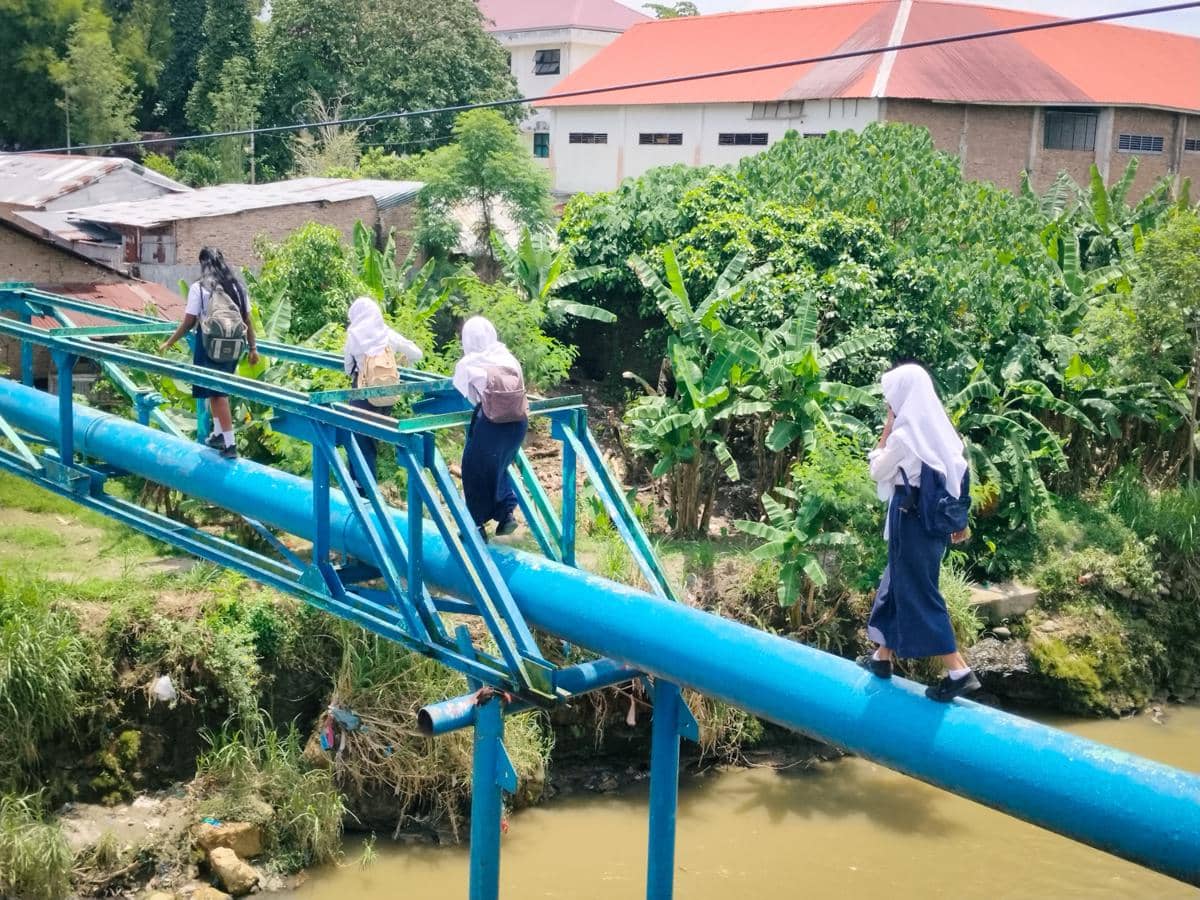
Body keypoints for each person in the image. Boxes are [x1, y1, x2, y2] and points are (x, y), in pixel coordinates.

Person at [858, 362, 980, 702]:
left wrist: (886, 429)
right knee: (897, 582)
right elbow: (957, 472)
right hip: (932, 525)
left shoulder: (904, 435)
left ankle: (959, 670)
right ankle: (882, 657)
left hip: (909, 520)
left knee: (918, 590)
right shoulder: (939, 430)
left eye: (891, 397)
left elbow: (877, 469)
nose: (889, 403)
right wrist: (959, 522)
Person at [160, 247, 257, 460]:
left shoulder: (199, 287)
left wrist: (169, 342)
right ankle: (218, 434)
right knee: (219, 392)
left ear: (203, 264)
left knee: (216, 394)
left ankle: (230, 445)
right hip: (233, 346)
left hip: (209, 345)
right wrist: (252, 348)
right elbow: (247, 320)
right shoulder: (237, 287)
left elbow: (189, 322)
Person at [453, 316, 527, 541]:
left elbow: (468, 396)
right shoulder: (508, 357)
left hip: (493, 425)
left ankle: (475, 526)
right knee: (499, 466)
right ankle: (506, 515)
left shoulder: (468, 363)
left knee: (473, 470)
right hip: (518, 424)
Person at [342, 296, 423, 490]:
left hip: (363, 395)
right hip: (387, 396)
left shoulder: (354, 336)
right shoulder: (387, 334)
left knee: (359, 439)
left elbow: (347, 368)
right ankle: (365, 485)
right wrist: (403, 364)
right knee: (373, 438)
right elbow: (416, 353)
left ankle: (363, 487)